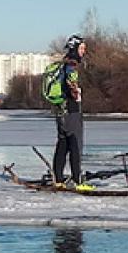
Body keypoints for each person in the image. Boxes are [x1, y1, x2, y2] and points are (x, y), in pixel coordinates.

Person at [53, 34, 87, 185]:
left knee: (63, 143)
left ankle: (58, 178)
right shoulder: (71, 66)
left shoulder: (63, 64)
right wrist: (76, 94)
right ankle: (77, 180)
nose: (83, 51)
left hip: (60, 109)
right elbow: (71, 86)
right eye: (81, 48)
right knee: (74, 143)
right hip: (70, 109)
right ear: (74, 49)